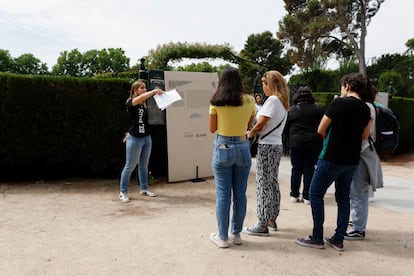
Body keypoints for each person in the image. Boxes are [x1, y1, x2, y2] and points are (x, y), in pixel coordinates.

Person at [295, 72, 371, 251]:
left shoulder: (338, 103)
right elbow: (365, 135)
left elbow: (321, 128)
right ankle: (338, 238)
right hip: (352, 159)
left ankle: (317, 236)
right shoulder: (366, 108)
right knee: (343, 198)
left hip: (331, 156)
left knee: (315, 194)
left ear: (348, 86)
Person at [209, 67, 256, 248]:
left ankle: (222, 237)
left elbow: (212, 129)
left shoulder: (216, 101)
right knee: (240, 193)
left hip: (222, 146)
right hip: (243, 146)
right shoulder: (250, 100)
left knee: (223, 194)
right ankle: (236, 234)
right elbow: (248, 125)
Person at [245, 70, 290, 236]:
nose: (263, 87)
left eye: (264, 83)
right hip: (276, 144)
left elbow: (261, 123)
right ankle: (271, 219)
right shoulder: (282, 102)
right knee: (272, 183)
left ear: (269, 85)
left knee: (263, 184)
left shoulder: (272, 100)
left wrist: (250, 133)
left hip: (267, 146)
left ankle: (262, 223)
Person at [346, 83, 384, 240]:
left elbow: (362, 134)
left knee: (358, 191)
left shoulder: (366, 107)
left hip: (362, 152)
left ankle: (358, 228)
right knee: (357, 191)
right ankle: (357, 222)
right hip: (364, 151)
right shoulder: (370, 106)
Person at [118, 80, 164, 203]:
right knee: (129, 166)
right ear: (135, 90)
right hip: (135, 139)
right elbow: (140, 99)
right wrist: (154, 91)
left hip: (146, 138)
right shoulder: (130, 102)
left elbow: (138, 122)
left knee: (144, 165)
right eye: (141, 88)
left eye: (145, 88)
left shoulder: (144, 104)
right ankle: (123, 192)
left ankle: (144, 188)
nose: (144, 90)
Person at [284, 86, 323, 205]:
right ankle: (307, 195)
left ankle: (294, 194)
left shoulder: (292, 110)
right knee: (309, 168)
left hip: (296, 142)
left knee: (296, 168)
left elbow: (286, 128)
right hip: (313, 142)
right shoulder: (317, 109)